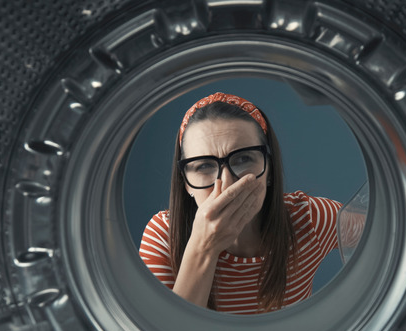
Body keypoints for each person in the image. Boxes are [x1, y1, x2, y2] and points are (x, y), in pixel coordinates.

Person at [139, 92, 342, 314]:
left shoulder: (309, 219)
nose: (226, 183)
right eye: (204, 166)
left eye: (243, 159)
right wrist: (204, 247)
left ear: (270, 169)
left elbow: (383, 232)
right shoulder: (163, 236)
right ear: (185, 183)